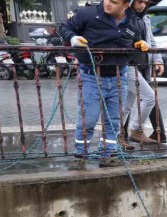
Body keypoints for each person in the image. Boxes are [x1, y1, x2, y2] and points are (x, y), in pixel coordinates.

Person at [59, 0, 148, 170]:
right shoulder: (87, 14)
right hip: (90, 76)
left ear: (125, 5)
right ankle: (80, 155)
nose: (107, 3)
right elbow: (63, 27)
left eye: (114, 2)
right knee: (88, 118)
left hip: (118, 77)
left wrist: (138, 44)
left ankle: (108, 154)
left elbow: (136, 40)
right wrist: (72, 37)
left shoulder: (134, 22)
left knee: (113, 120)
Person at [122, 0, 163, 146]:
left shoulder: (144, 18)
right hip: (128, 65)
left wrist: (157, 59)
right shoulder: (124, 16)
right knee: (149, 97)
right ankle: (135, 130)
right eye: (140, 2)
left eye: (145, 3)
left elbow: (151, 40)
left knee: (127, 105)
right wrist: (135, 44)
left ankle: (116, 135)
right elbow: (122, 39)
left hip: (139, 65)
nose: (143, 6)